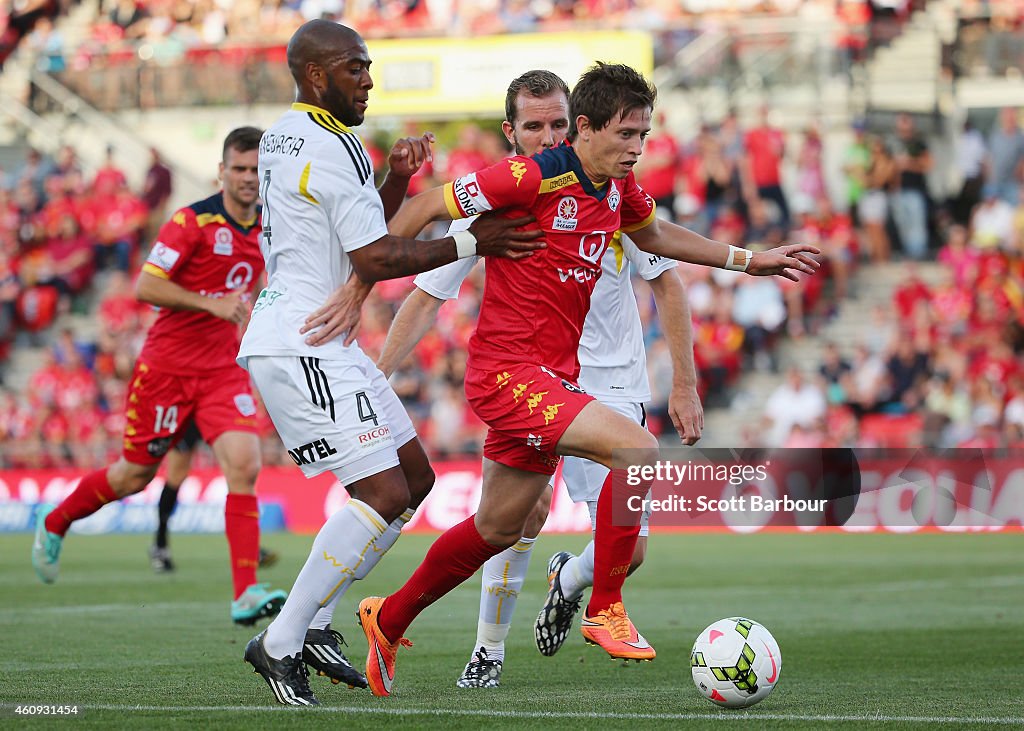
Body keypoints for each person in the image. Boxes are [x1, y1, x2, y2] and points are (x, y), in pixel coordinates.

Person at [356, 62, 821, 697]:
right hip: (508, 375)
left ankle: (388, 618)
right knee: (636, 448)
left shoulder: (614, 190)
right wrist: (363, 277)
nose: (636, 148)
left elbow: (655, 234)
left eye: (644, 136)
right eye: (626, 134)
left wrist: (749, 260)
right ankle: (603, 606)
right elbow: (425, 205)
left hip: (554, 376)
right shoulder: (526, 176)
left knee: (496, 527)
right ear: (587, 128)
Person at [235, 20, 543, 706]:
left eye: (368, 67)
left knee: (414, 476)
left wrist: (396, 181)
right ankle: (282, 640)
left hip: (316, 336)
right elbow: (373, 260)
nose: (368, 79)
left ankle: (314, 621)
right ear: (317, 75)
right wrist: (472, 239)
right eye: (355, 68)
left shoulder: (294, 132)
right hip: (303, 339)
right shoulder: (325, 140)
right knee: (382, 494)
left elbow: (359, 233)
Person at [373, 69, 702, 689]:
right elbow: (425, 290)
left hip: (608, 380)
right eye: (535, 127)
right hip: (529, 379)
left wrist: (685, 377)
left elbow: (665, 272)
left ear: (575, 122)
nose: (548, 136)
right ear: (512, 133)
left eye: (557, 123)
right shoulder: (508, 194)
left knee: (529, 529)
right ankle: (499, 645)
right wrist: (375, 359)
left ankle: (392, 617)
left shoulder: (615, 188)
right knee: (535, 513)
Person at [31, 127, 289, 627]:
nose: (248, 179)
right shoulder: (191, 221)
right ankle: (57, 520)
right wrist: (208, 303)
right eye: (238, 169)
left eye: (257, 170)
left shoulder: (274, 226)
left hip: (221, 370)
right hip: (166, 369)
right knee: (135, 475)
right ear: (222, 171)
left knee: (244, 463)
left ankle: (244, 593)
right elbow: (146, 284)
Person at [149, 418, 279, 573]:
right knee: (176, 476)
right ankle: (160, 543)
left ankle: (248, 548)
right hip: (187, 413)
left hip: (214, 406)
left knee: (236, 472)